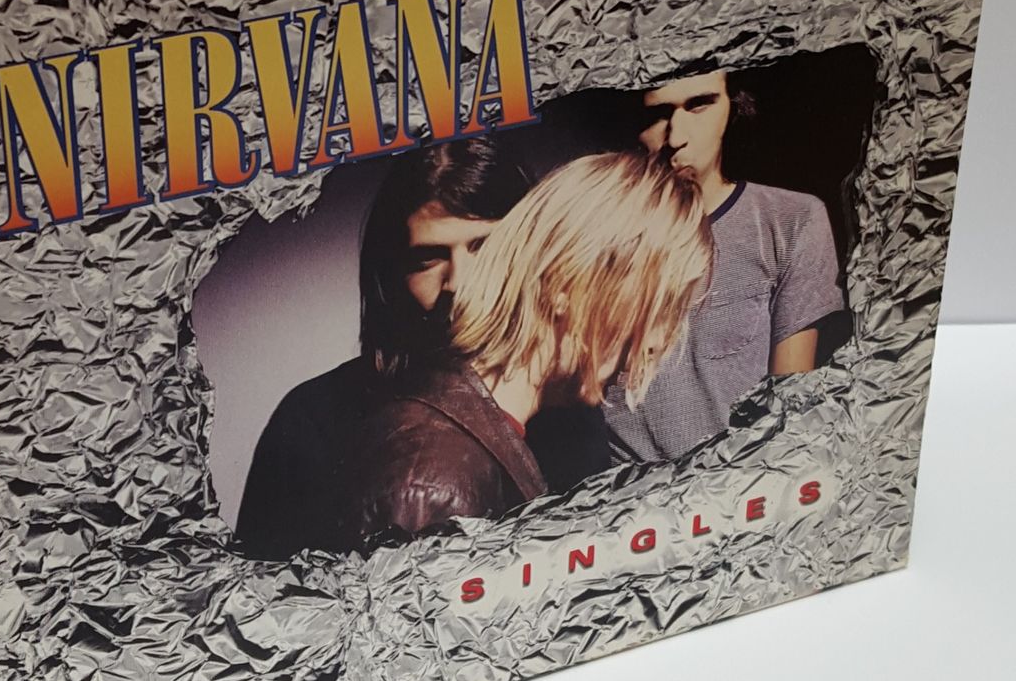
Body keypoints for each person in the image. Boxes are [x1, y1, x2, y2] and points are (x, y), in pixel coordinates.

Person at [342, 153, 713, 546]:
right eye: (657, 308)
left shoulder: (504, 433)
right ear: (565, 285)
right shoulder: (433, 485)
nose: (655, 343)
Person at [235, 138, 530, 559]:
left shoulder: (577, 404)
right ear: (391, 276)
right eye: (427, 259)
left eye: (486, 248)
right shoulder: (311, 419)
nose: (459, 284)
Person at [603, 69, 845, 462]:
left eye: (699, 105)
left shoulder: (790, 219)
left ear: (733, 107)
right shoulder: (599, 238)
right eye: (658, 114)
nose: (676, 137)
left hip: (744, 481)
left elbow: (789, 404)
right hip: (630, 491)